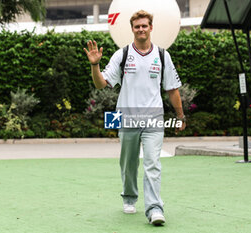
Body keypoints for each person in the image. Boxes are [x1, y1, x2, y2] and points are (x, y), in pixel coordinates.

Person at [84, 10, 185, 226]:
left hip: (154, 118)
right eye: (137, 26)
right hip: (126, 117)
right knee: (128, 164)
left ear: (151, 27)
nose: (141, 29)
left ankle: (155, 208)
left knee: (152, 164)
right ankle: (129, 197)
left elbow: (172, 89)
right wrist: (95, 65)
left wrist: (180, 115)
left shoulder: (162, 55)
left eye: (144, 25)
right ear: (132, 29)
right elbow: (101, 84)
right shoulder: (121, 55)